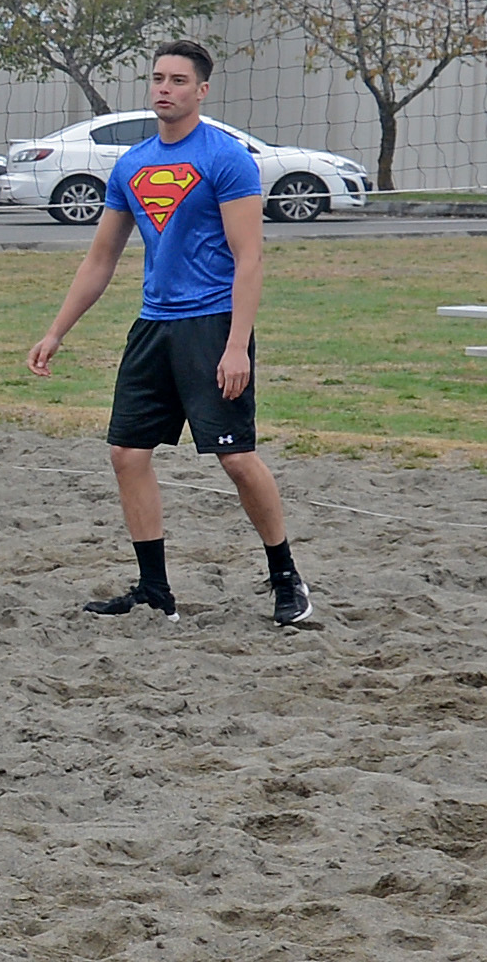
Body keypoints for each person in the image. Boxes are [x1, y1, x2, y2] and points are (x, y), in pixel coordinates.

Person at [28, 39, 314, 627]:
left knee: (236, 459)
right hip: (154, 326)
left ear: (201, 91)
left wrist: (236, 346)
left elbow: (250, 258)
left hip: (212, 326)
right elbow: (100, 259)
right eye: (158, 78)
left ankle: (286, 576)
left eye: (178, 80)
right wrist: (56, 331)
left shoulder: (227, 158)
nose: (165, 88)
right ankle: (155, 590)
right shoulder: (131, 164)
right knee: (127, 454)